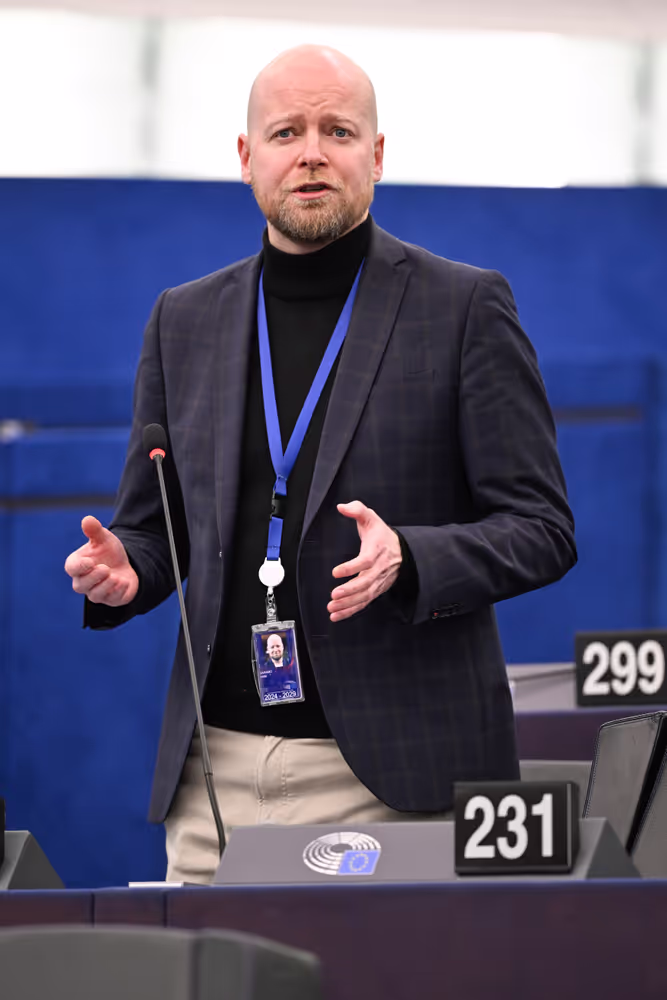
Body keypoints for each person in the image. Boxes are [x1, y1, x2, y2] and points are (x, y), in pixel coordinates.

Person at [64, 44, 577, 883]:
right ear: (246, 158)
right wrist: (130, 569)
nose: (310, 151)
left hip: (392, 781)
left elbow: (542, 529)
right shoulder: (181, 320)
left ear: (375, 155)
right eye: (286, 131)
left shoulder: (464, 307)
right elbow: (158, 532)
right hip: (214, 781)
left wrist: (413, 557)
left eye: (337, 130)